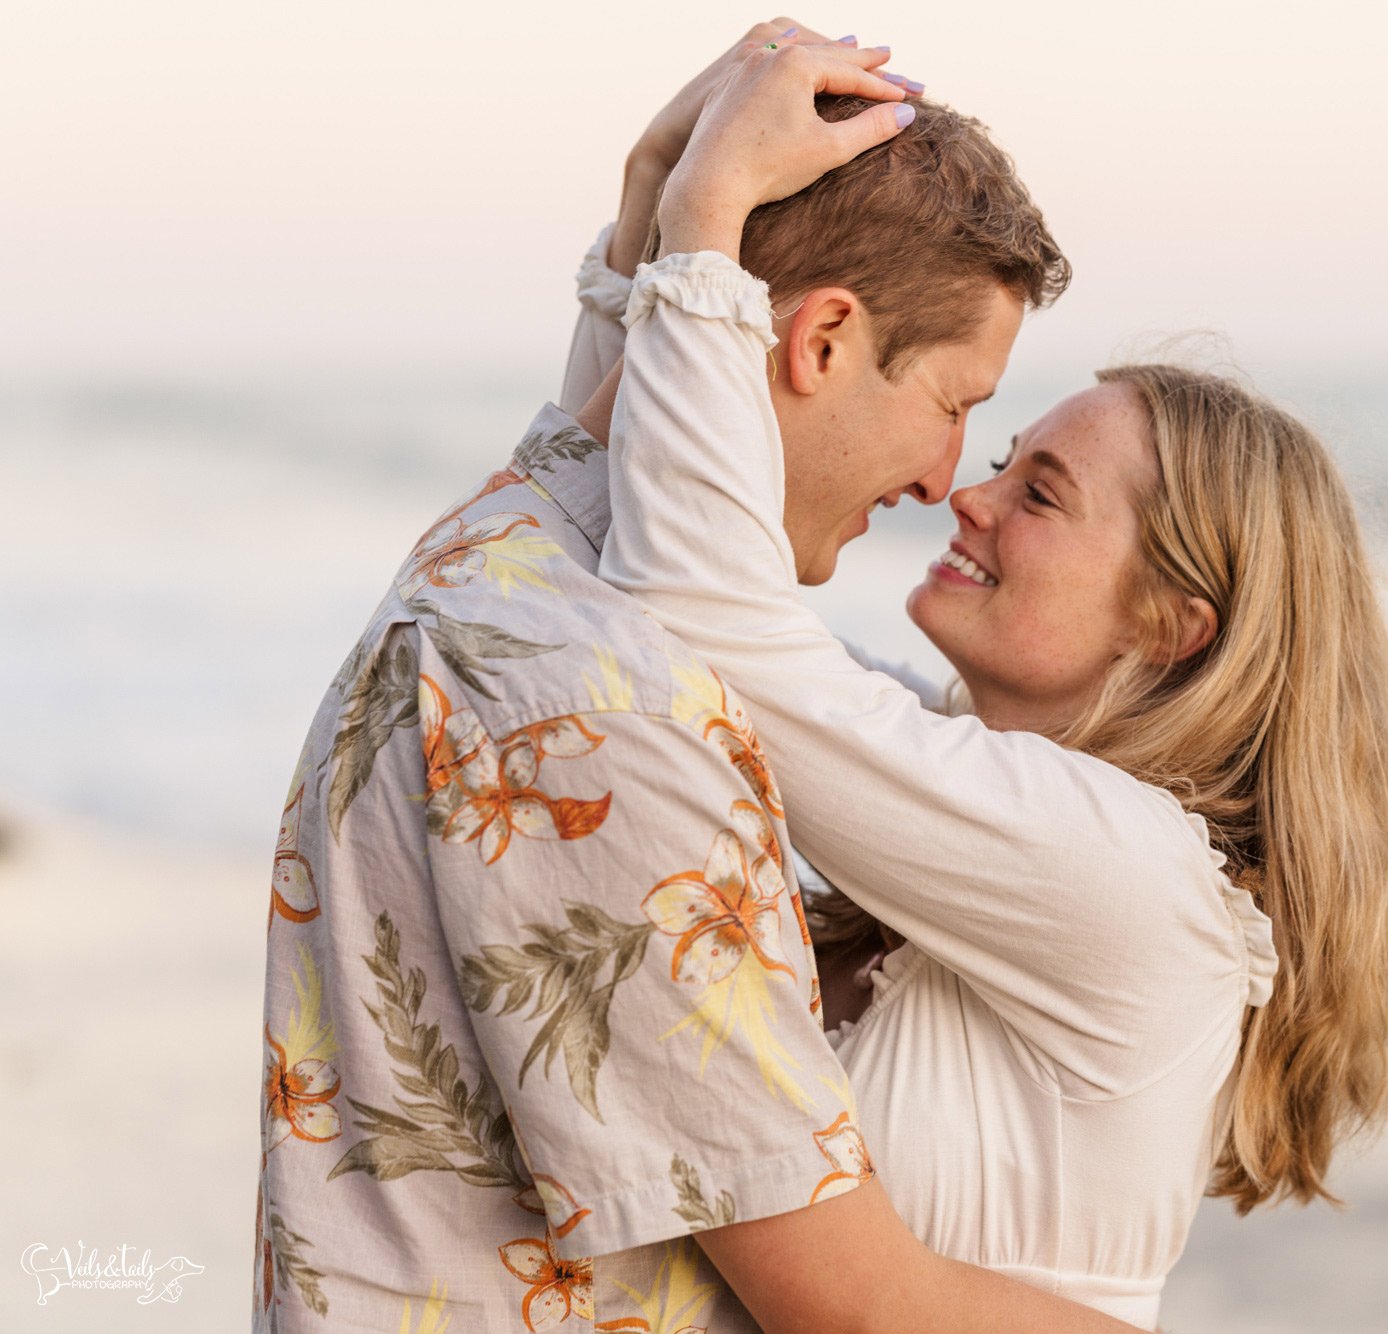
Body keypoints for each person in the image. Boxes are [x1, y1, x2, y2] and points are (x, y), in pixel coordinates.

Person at [577, 29, 1388, 1330]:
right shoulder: (1005, 807)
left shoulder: (1118, 869)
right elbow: (636, 582)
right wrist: (645, 212)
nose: (965, 491)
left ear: (1172, 620)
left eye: (1039, 490)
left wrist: (708, 215)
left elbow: (703, 627)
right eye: (996, 449)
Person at [254, 24, 1134, 1333]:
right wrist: (695, 211)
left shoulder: (503, 556)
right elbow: (857, 1308)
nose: (950, 477)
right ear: (824, 339)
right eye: (956, 400)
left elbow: (606, 438)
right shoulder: (607, 708)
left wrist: (661, 211)